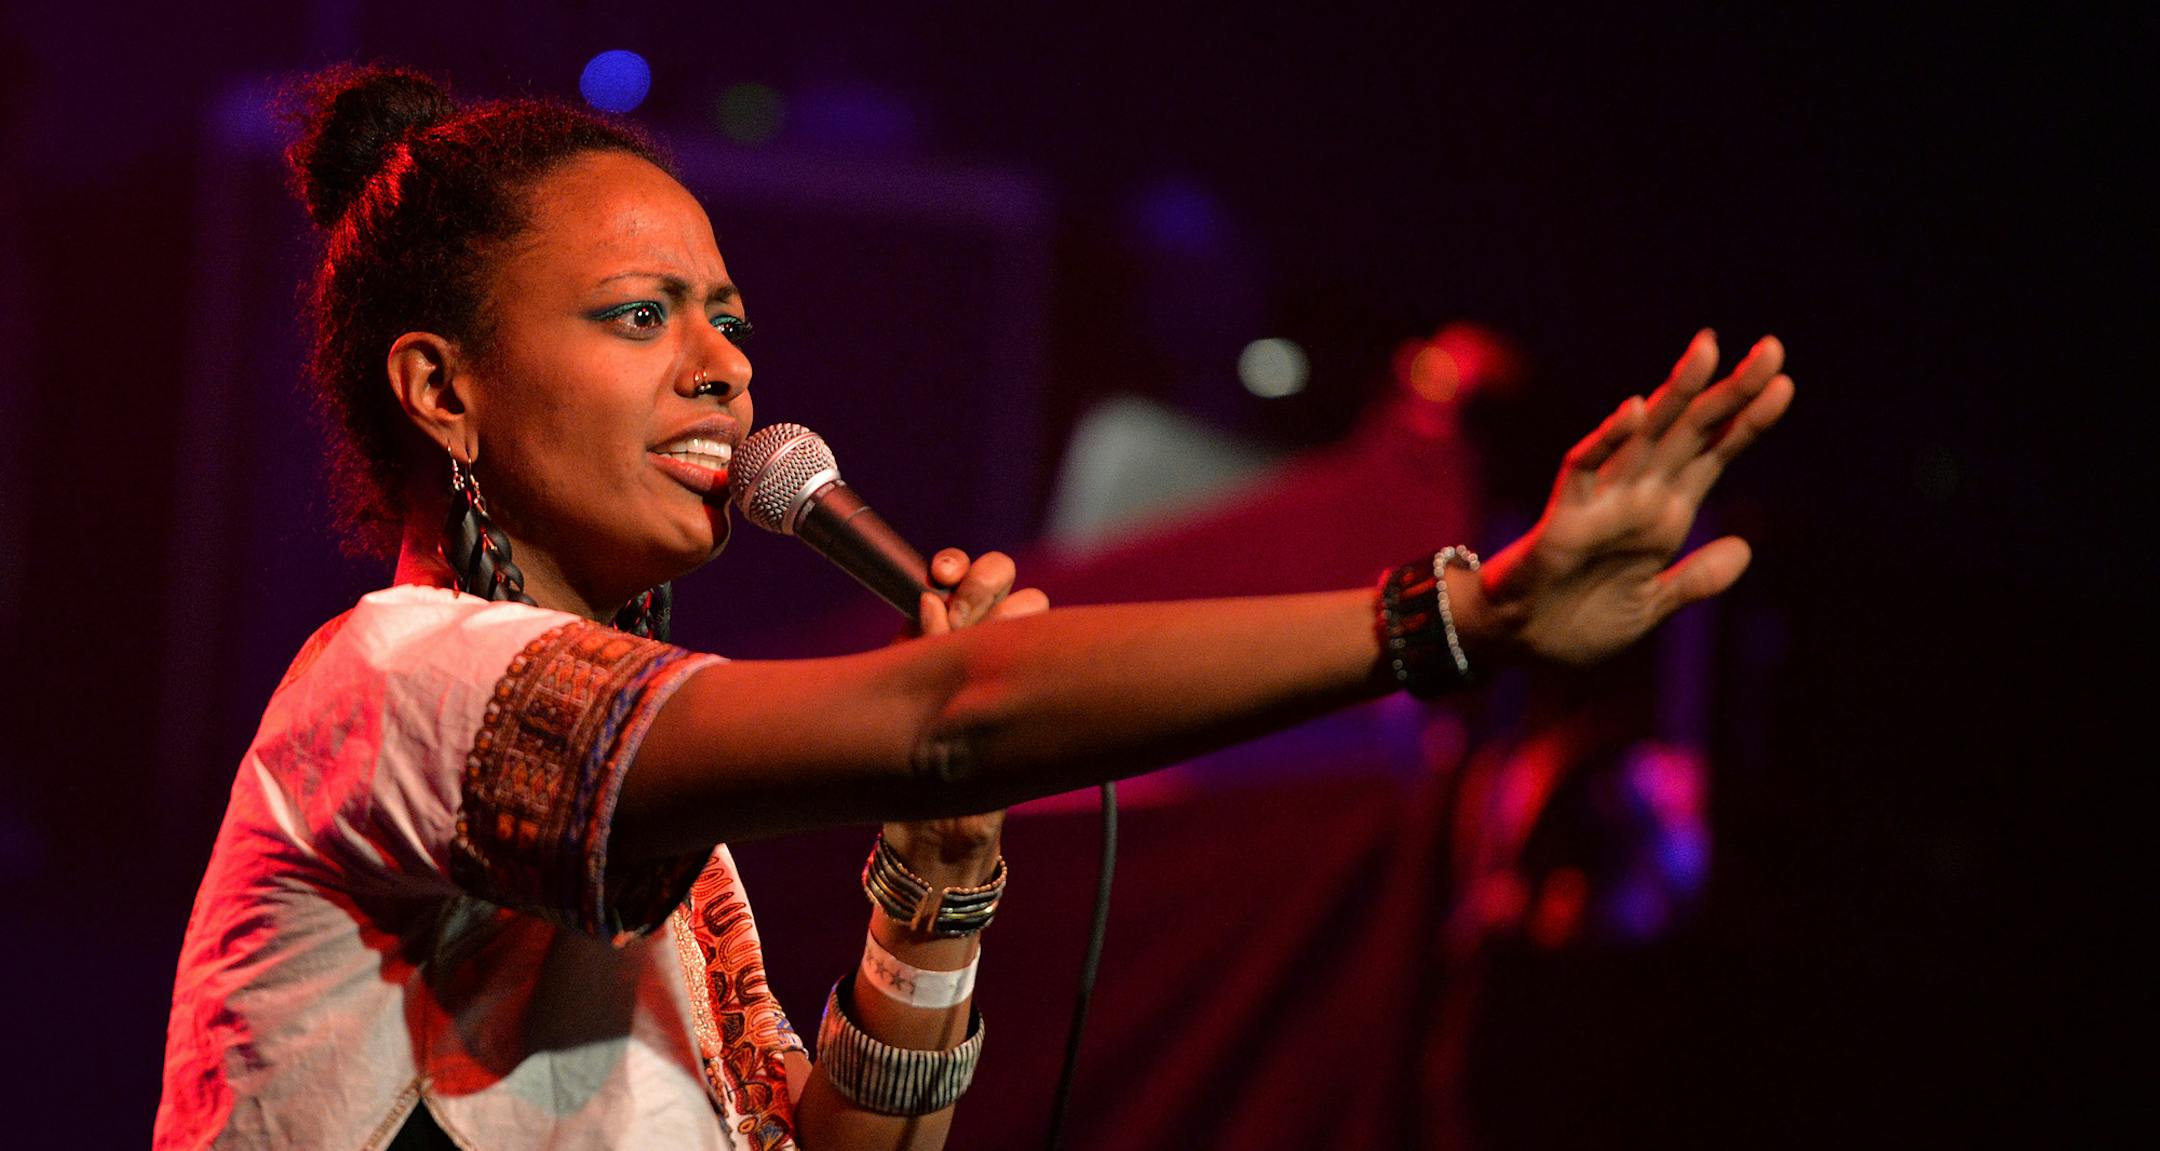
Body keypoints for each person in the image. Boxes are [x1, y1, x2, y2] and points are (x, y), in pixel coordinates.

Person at [152, 64, 1793, 1151]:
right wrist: (1449, 623)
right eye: (640, 315)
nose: (721, 363)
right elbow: (941, 723)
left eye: (725, 318)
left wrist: (929, 900)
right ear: (443, 389)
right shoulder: (399, 684)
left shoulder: (645, 808)